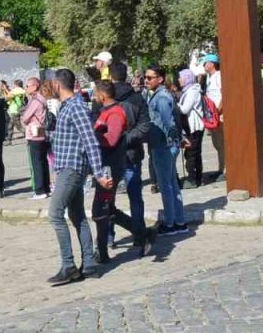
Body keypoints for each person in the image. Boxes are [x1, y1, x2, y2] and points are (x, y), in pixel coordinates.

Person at [46, 70, 112, 286]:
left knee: (55, 213)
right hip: (66, 166)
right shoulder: (67, 106)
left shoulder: (76, 106)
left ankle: (68, 265)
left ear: (57, 83)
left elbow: (90, 141)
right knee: (77, 215)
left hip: (72, 168)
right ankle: (90, 264)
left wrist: (100, 174)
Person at [92, 82, 153, 261]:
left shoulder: (116, 113)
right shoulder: (105, 111)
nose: (95, 97)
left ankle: (102, 252)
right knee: (107, 209)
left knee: (100, 209)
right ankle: (142, 235)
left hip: (111, 167)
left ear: (103, 95)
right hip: (106, 165)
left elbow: (111, 140)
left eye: (96, 94)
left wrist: (93, 137)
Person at [144, 66, 187, 234]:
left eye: (150, 77)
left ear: (160, 79)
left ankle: (170, 223)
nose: (146, 80)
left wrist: (175, 139)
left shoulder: (161, 97)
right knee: (172, 184)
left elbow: (169, 122)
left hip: (163, 146)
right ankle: (179, 221)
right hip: (167, 145)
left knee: (166, 185)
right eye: (146, 77)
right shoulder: (160, 95)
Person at [20, 77, 50, 199]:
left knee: (35, 162)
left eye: (27, 86)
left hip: (33, 133)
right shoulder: (42, 99)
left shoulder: (35, 101)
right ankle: (46, 188)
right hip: (42, 132)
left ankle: (39, 190)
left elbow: (26, 117)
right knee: (43, 161)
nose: (26, 88)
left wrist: (25, 117)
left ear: (34, 86)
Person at [175, 69, 204, 189]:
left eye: (181, 77)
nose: (179, 80)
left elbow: (185, 109)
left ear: (187, 78)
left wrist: (173, 103)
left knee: (192, 153)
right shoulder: (188, 91)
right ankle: (197, 177)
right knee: (193, 153)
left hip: (194, 127)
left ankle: (192, 179)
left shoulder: (192, 91)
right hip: (189, 127)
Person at [202, 55, 225, 181]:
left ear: (212, 63)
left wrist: (218, 110)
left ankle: (225, 169)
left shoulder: (219, 76)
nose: (204, 66)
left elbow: (224, 94)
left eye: (205, 63)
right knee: (216, 143)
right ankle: (220, 168)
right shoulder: (209, 78)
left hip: (219, 115)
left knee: (222, 142)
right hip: (212, 116)